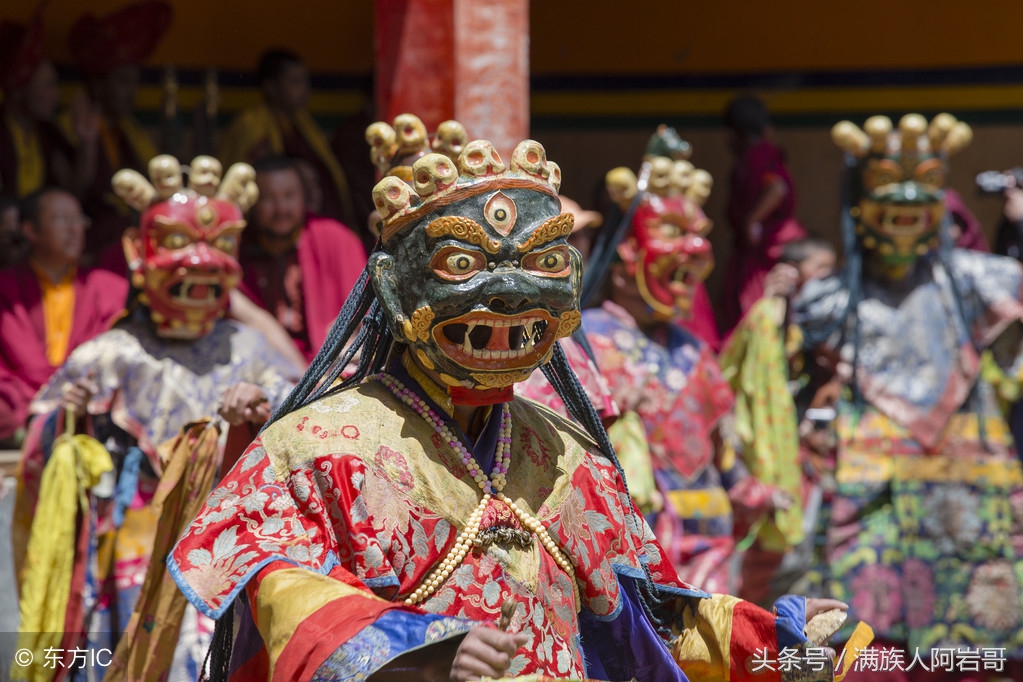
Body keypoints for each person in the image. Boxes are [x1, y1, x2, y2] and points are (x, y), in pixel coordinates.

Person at [169, 121, 851, 681]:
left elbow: (651, 625)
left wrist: (778, 645)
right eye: (463, 266)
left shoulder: (567, 454)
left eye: (541, 264)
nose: (512, 293)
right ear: (393, 287)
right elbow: (281, 590)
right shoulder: (314, 446)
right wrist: (415, 652)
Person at [11, 157, 297, 682]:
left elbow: (302, 414)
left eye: (222, 249)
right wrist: (69, 420)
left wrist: (261, 407)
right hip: (133, 539)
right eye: (176, 246)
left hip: (224, 535)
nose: (203, 266)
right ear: (135, 254)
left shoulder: (248, 349)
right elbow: (43, 434)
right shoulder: (110, 354)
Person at [799, 112, 1023, 679]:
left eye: (922, 196)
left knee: (977, 640)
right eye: (887, 198)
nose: (904, 213)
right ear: (859, 205)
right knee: (870, 645)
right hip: (869, 496)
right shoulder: (826, 301)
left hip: (967, 491)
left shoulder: (976, 282)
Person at [581, 129, 791, 594]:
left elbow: (724, 450)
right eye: (673, 233)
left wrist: (753, 491)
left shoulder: (694, 349)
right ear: (621, 262)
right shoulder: (584, 338)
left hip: (710, 539)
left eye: (698, 235)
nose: (696, 249)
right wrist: (610, 407)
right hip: (628, 540)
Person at [718, 235, 836, 606]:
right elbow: (742, 377)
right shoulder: (769, 318)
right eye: (822, 271)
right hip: (773, 467)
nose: (829, 281)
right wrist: (773, 303)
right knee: (767, 578)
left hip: (812, 465)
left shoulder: (828, 321)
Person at [0, 187, 127, 448]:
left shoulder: (107, 287)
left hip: (87, 404)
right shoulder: (6, 288)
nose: (75, 229)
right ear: (30, 231)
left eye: (79, 220)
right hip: (17, 407)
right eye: (62, 219)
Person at [65, 0, 173, 265]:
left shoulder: (130, 130)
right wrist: (88, 145)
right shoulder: (69, 125)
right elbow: (72, 190)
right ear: (98, 85)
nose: (132, 92)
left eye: (135, 82)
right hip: (93, 237)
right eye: (123, 81)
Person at [238, 155, 367, 362]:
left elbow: (364, 308)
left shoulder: (335, 237)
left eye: (289, 196)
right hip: (263, 362)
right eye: (268, 198)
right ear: (253, 203)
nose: (281, 208)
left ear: (303, 197)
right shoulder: (238, 247)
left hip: (329, 363)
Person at [219, 48, 355, 226]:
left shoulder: (303, 123)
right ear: (271, 87)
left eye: (305, 81)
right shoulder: (250, 125)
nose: (305, 90)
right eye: (295, 82)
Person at [721, 94, 806, 334]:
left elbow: (776, 187)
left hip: (765, 249)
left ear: (731, 133)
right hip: (760, 247)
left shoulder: (757, 156)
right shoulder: (764, 154)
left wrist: (752, 220)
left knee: (758, 313)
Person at [0, 10, 94, 200]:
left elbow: (72, 189)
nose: (57, 95)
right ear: (19, 89)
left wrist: (88, 143)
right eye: (48, 86)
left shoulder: (45, 133)